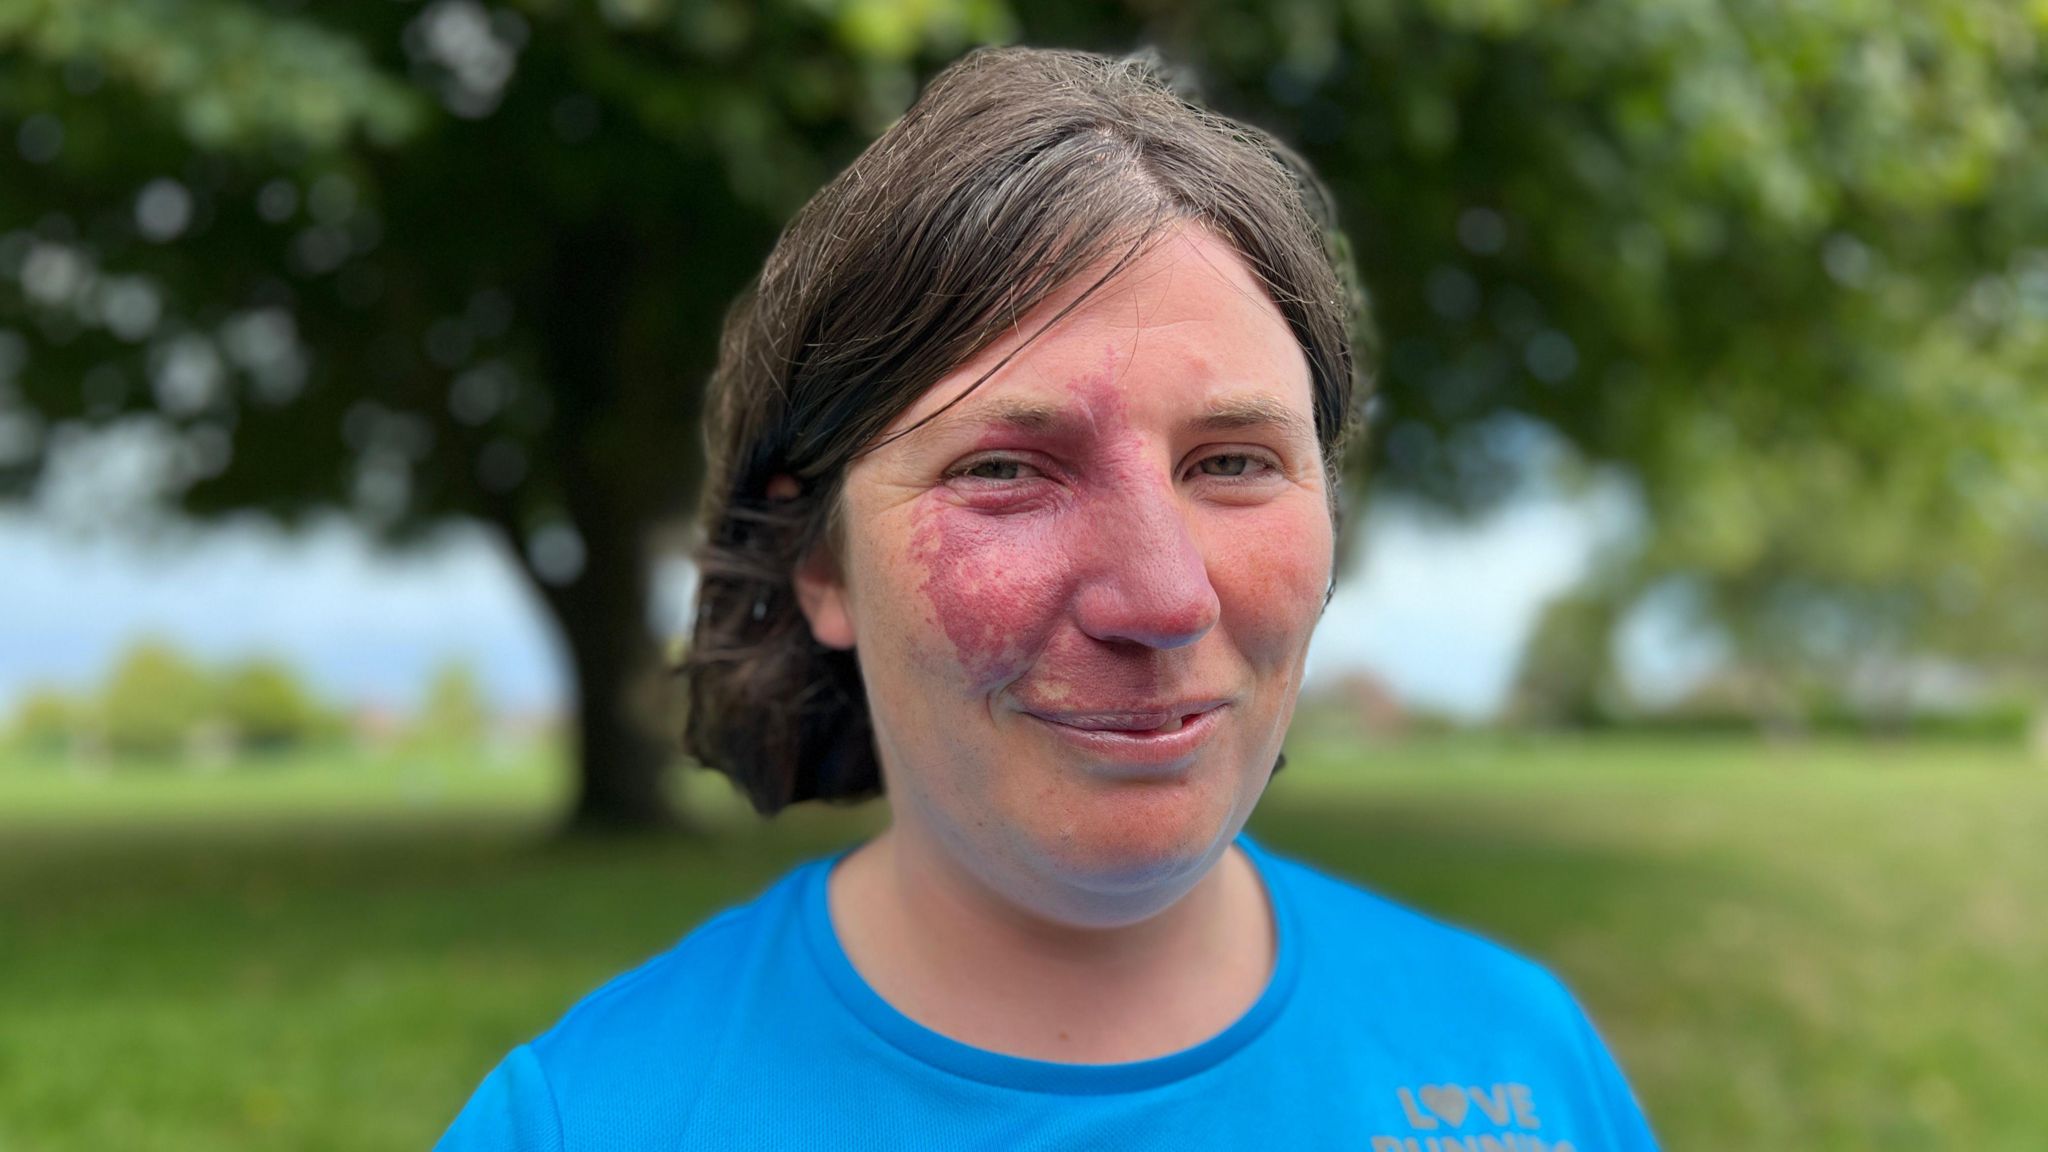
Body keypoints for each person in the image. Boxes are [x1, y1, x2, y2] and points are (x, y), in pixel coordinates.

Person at [437, 45, 1661, 1151]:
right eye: (1005, 472)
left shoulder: (1519, 1062)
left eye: (1232, 462)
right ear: (819, 565)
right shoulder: (590, 1119)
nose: (1161, 596)